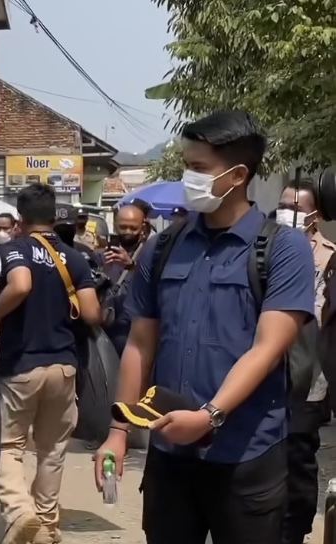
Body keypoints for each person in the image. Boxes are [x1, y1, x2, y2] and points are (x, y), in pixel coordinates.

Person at [95, 111, 315, 544]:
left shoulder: (283, 250)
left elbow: (267, 349)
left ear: (236, 175)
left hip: (248, 456)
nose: (187, 178)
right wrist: (118, 430)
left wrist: (208, 417)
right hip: (169, 455)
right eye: (187, 165)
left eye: (198, 169)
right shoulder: (163, 248)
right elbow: (140, 343)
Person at [0, 183, 101, 544]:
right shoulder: (75, 256)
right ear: (54, 217)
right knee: (52, 451)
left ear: (19, 219)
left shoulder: (15, 249)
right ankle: (47, 527)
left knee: (7, 447)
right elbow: (92, 313)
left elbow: (19, 286)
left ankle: (21, 512)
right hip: (64, 367)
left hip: (22, 365)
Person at [274, 180, 335, 544]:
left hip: (310, 371)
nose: (288, 214)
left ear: (315, 213)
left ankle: (295, 528)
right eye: (284, 206)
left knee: (299, 453)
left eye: (296, 208)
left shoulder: (329, 256)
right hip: (267, 365)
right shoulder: (264, 247)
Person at [101, 202, 150, 357]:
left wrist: (131, 265)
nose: (128, 232)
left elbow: (155, 283)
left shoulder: (151, 253)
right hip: (107, 330)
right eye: (123, 227)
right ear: (116, 226)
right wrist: (103, 270)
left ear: (143, 228)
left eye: (133, 228)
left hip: (138, 330)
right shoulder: (100, 255)